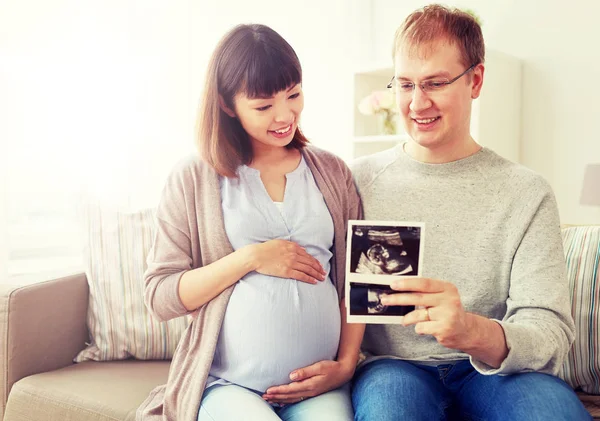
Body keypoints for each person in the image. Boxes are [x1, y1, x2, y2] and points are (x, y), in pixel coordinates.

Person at [350, 5, 591, 421]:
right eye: (405, 84)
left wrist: (471, 330)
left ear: (475, 80)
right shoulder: (356, 182)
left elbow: (550, 330)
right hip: (393, 369)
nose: (416, 103)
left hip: (496, 373)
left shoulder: (526, 194)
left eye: (436, 83)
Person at [136, 24, 364, 421]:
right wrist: (251, 258)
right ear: (227, 105)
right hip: (230, 386)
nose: (284, 115)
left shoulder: (332, 171)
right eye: (263, 106)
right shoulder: (193, 177)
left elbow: (359, 281)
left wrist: (344, 366)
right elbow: (160, 295)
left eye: (293, 95)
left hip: (318, 386)